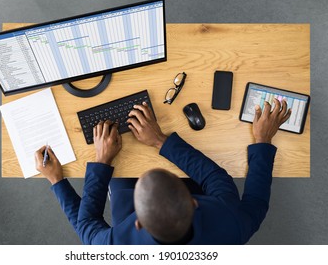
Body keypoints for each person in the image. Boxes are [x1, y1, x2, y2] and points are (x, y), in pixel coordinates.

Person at [35, 98, 291, 244]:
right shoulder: (232, 223)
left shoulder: (119, 248)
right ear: (193, 202)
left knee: (121, 177)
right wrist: (159, 140)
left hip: (130, 200)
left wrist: (62, 177)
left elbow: (88, 227)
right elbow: (249, 197)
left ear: (137, 221)